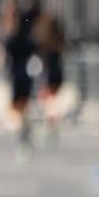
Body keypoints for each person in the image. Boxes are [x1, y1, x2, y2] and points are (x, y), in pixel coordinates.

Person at [0, 0, 36, 162]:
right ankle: (24, 137)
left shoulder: (17, 30)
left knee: (19, 109)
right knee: (19, 110)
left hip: (20, 75)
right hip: (17, 74)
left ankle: (23, 138)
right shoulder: (13, 32)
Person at [33, 10, 65, 147]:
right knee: (49, 101)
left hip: (49, 74)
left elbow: (41, 60)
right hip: (57, 73)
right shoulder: (58, 40)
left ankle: (51, 124)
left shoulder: (44, 42)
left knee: (47, 102)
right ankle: (51, 125)